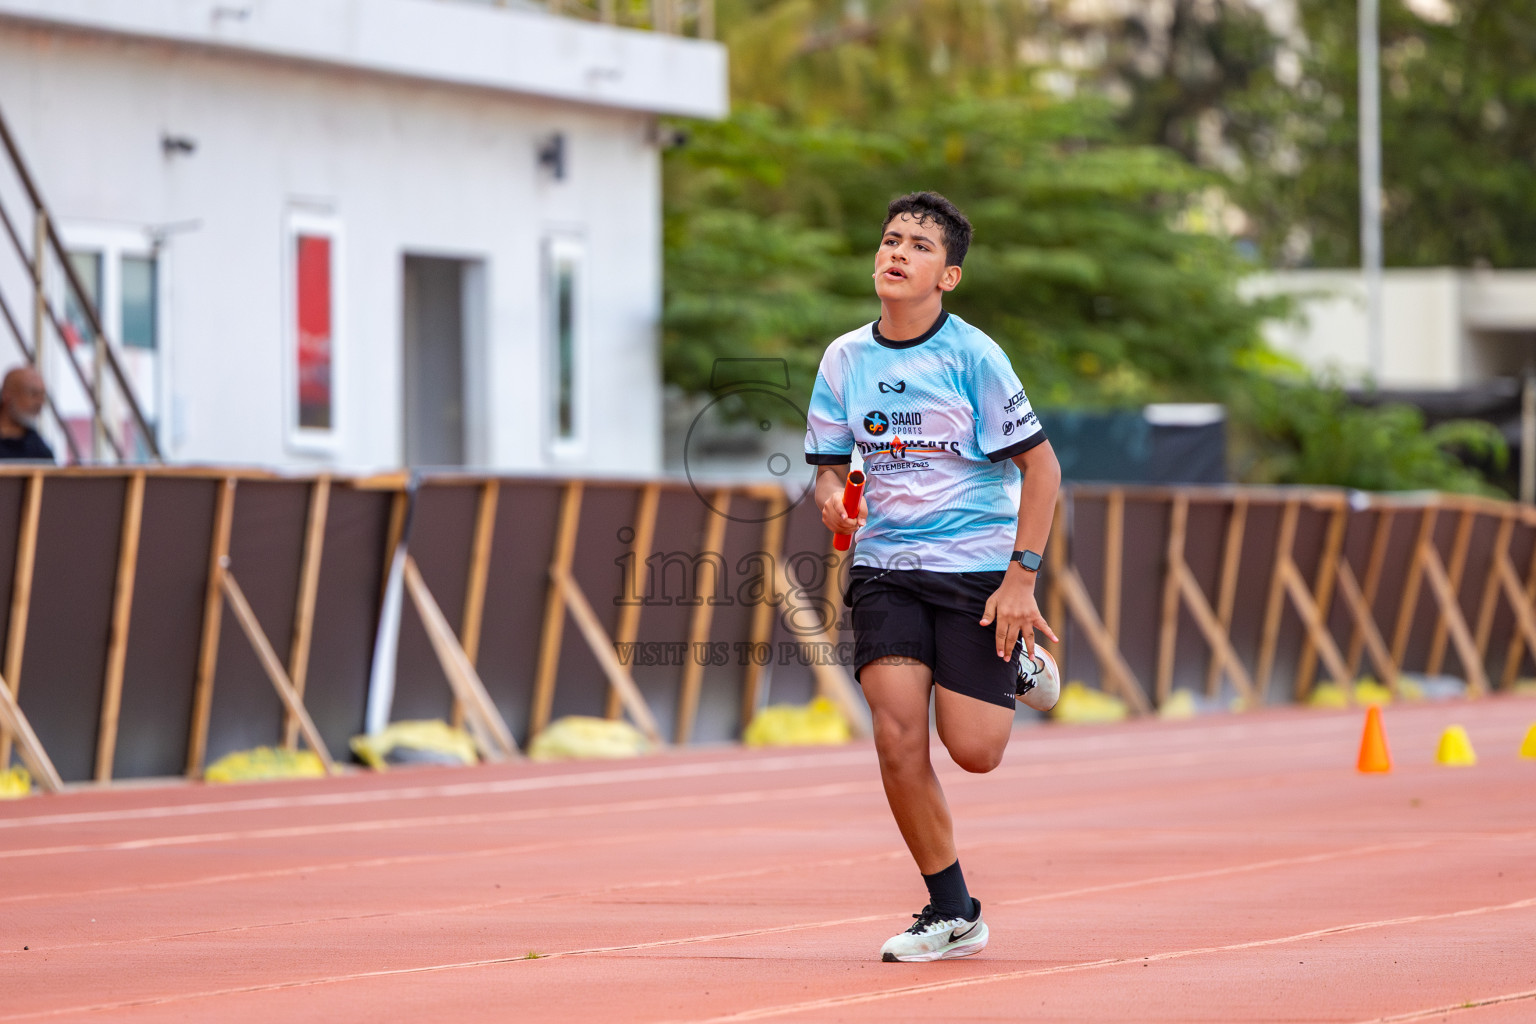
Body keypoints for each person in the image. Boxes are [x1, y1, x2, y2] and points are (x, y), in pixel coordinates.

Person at [804, 191, 1060, 962]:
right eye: (889, 239)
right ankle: (952, 910)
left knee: (975, 751)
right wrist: (835, 510)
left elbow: (1043, 472)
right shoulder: (844, 358)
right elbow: (825, 473)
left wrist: (1021, 580)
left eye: (918, 246)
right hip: (885, 568)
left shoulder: (974, 356)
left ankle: (1023, 659)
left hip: (978, 570)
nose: (897, 253)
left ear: (946, 276)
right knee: (895, 734)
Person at [0, 366, 55, 462]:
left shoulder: (39, 449)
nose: (40, 402)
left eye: (42, 395)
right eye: (33, 394)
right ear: (7, 394)